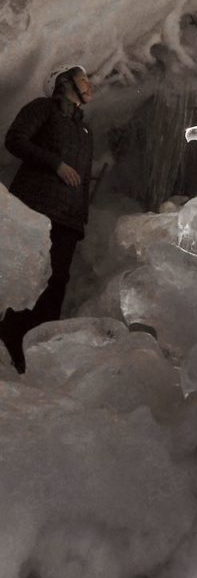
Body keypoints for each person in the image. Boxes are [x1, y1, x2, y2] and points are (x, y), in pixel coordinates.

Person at [0, 64, 94, 372]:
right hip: (36, 209)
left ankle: (34, 358)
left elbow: (82, 179)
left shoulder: (85, 131)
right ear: (66, 83)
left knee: (56, 284)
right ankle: (8, 348)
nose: (90, 86)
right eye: (84, 80)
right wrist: (55, 164)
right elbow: (15, 139)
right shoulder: (43, 109)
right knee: (27, 280)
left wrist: (81, 217)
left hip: (67, 220)